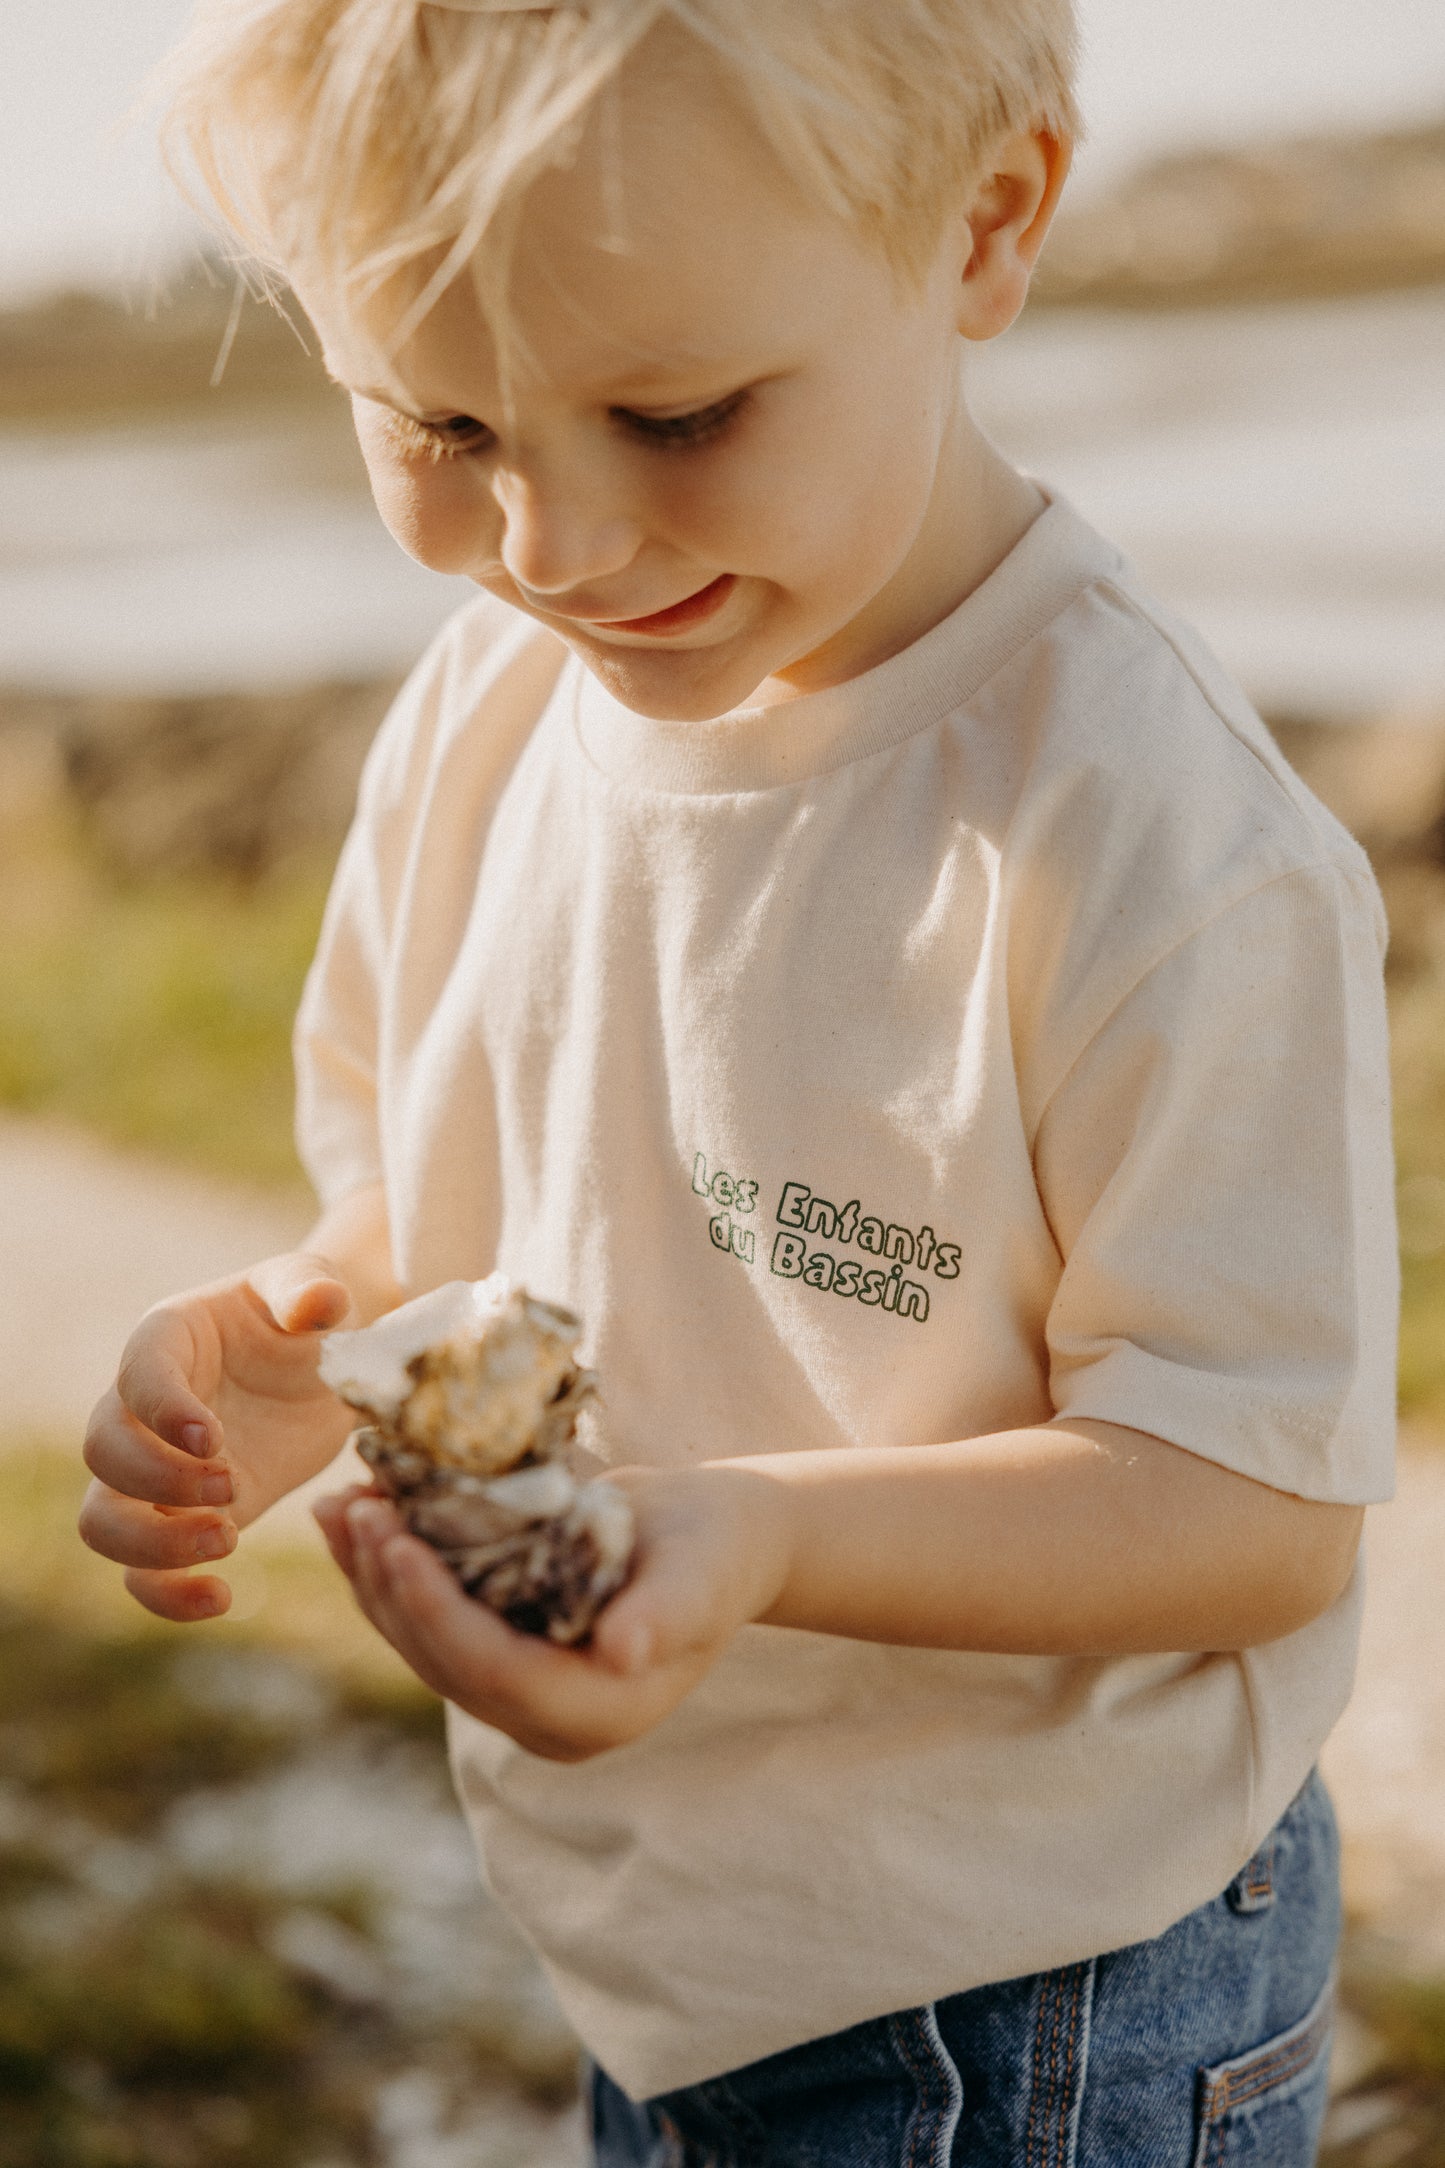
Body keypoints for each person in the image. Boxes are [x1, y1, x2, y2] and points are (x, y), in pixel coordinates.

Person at [79, 2, 1398, 2159]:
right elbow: (433, 1229)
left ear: (986, 227)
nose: (555, 544)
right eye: (439, 422)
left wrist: (756, 1539)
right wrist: (297, 1347)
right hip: (682, 1939)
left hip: (1038, 1981)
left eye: (675, 415)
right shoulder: (488, 720)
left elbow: (1250, 1498)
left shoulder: (1147, 829)